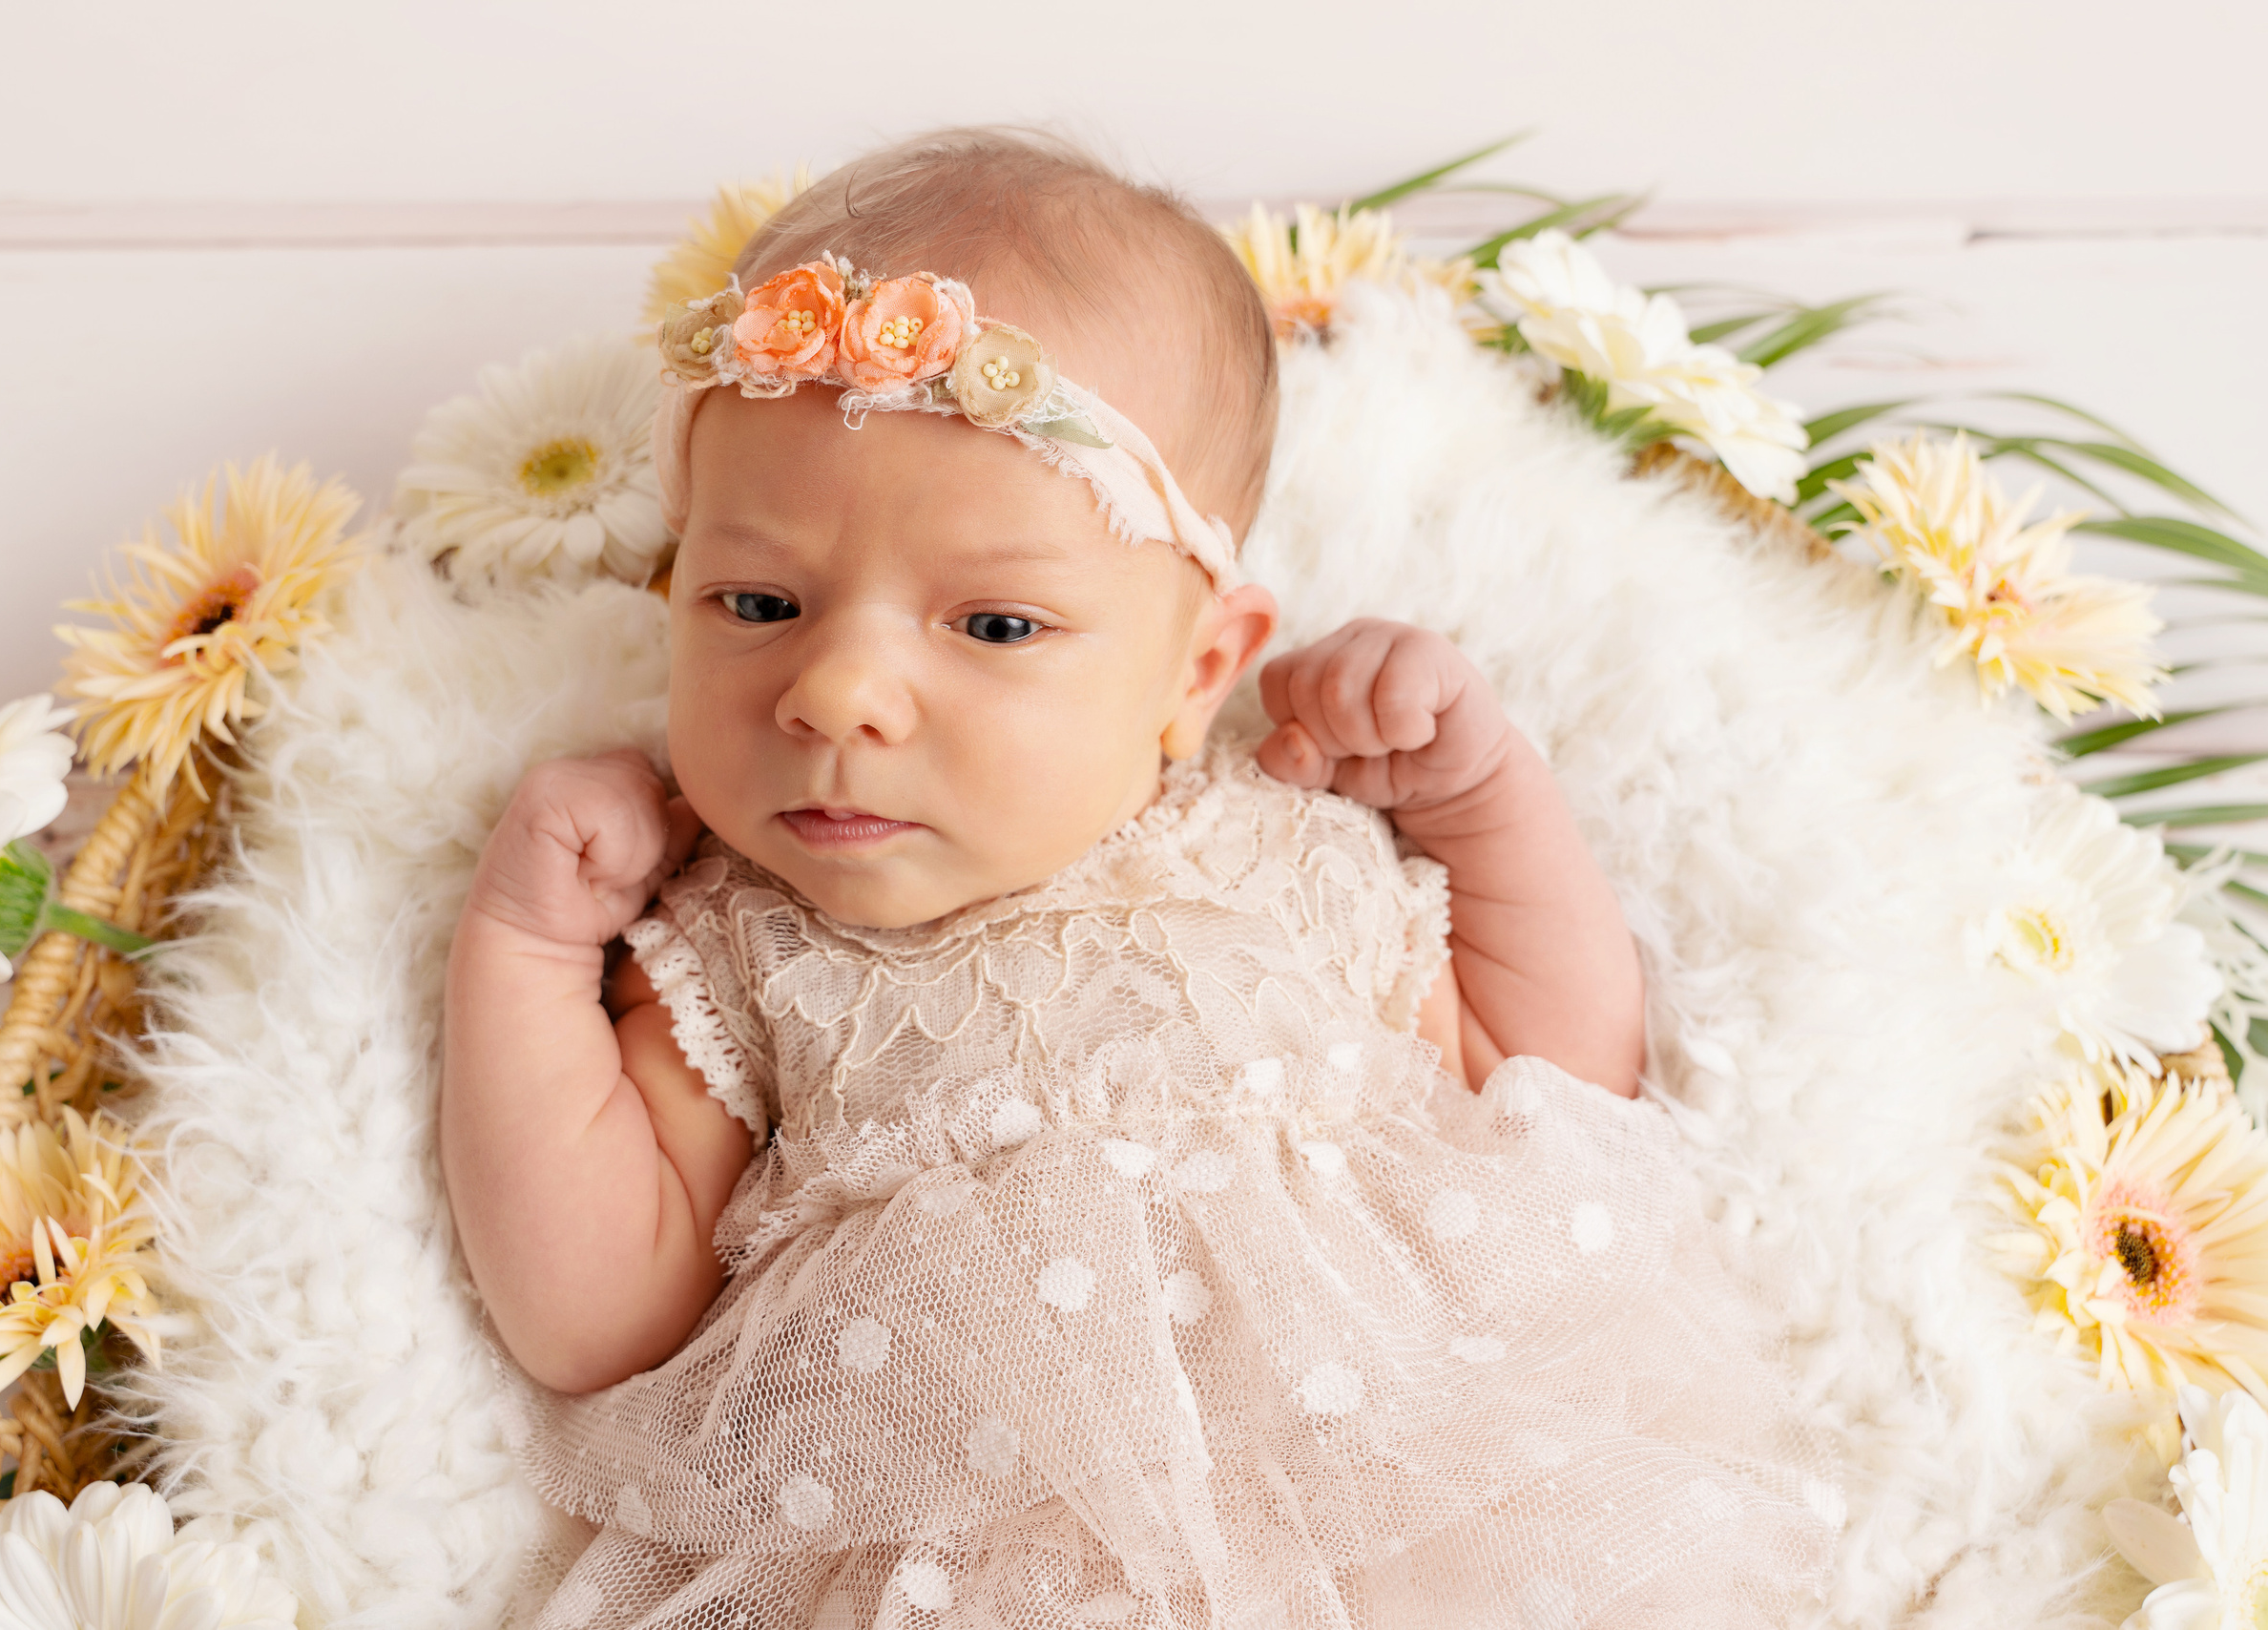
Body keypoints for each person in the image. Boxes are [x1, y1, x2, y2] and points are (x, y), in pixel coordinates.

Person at [442, 128, 1833, 1629]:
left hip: (1401, 1526)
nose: (836, 689)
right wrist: (523, 950)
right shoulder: (739, 945)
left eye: (992, 627)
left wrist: (1484, 800)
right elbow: (591, 1316)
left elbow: (1563, 1070)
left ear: (1203, 665)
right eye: (758, 602)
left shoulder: (1286, 847)